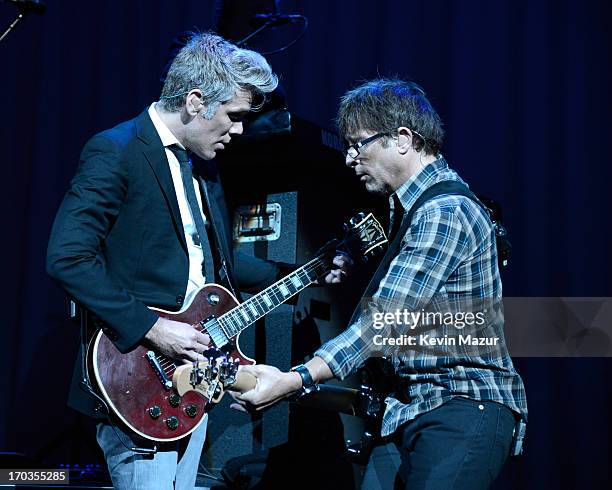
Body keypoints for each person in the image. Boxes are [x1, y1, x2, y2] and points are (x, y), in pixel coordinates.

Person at [46, 32, 350, 490]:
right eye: (233, 116)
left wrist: (304, 273)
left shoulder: (203, 166)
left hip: (191, 385)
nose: (240, 130)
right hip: (137, 379)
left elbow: (213, 269)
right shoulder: (117, 150)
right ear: (194, 101)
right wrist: (153, 328)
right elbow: (68, 258)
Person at [235, 78, 528, 490]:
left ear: (403, 139)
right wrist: (349, 252)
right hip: (408, 410)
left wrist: (296, 378)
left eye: (359, 144)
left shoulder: (445, 212)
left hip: (461, 407)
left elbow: (383, 322)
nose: (350, 158)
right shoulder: (407, 209)